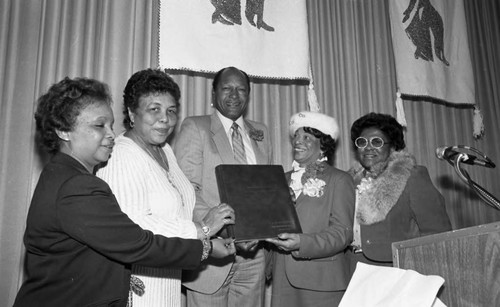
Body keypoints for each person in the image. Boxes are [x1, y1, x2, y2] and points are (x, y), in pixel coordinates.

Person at [13, 77, 236, 307]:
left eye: (111, 124)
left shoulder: (64, 175)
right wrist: (205, 246)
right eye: (100, 126)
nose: (111, 134)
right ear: (63, 130)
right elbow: (137, 242)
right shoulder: (76, 186)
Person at [96, 68, 235, 306]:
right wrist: (202, 230)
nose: (165, 119)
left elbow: (179, 208)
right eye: (154, 109)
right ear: (131, 113)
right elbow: (134, 226)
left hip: (169, 275)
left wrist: (214, 234)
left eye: (171, 111)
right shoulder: (120, 154)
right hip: (139, 282)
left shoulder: (165, 150)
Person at [174, 66, 273, 307]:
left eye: (241, 89)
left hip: (254, 253)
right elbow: (186, 190)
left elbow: (265, 189)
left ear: (248, 95)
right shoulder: (195, 127)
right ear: (213, 92)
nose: (234, 95)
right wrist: (224, 229)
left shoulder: (262, 131)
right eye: (226, 88)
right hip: (214, 252)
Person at [265, 111, 355, 307]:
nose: (298, 141)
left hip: (322, 282)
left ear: (323, 144)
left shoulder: (340, 180)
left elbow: (342, 233)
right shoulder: (279, 179)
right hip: (282, 280)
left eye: (306, 137)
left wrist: (301, 243)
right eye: (296, 136)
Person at [347, 112, 452, 273]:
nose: (368, 147)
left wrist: (424, 274)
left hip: (396, 269)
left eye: (377, 141)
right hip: (351, 268)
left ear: (393, 146)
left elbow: (437, 232)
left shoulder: (411, 176)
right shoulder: (348, 180)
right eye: (362, 142)